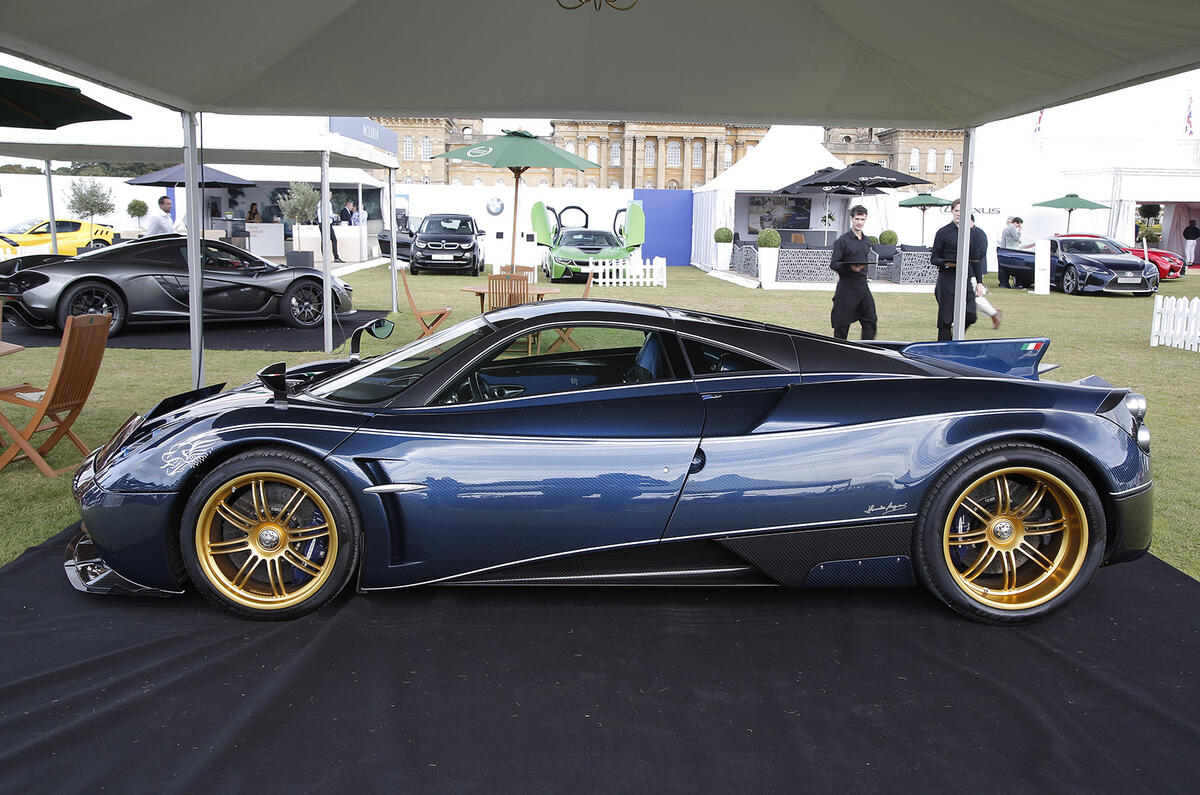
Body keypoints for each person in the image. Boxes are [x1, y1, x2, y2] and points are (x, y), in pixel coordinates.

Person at [930, 199, 977, 341]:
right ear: (952, 211)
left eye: (962, 212)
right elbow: (934, 258)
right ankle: (942, 348)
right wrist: (946, 263)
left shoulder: (971, 232)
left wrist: (979, 282)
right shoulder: (943, 232)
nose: (958, 214)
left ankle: (954, 336)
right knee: (945, 320)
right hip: (947, 279)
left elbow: (976, 257)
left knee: (971, 314)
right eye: (956, 211)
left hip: (964, 278)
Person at [829, 205, 877, 340]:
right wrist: (850, 268)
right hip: (846, 287)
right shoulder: (842, 241)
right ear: (851, 218)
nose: (859, 222)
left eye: (862, 219)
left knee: (870, 320)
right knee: (842, 325)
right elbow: (834, 264)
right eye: (857, 219)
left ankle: (866, 348)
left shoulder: (866, 241)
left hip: (862, 286)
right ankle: (839, 350)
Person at [970, 215, 1002, 330]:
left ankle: (994, 313)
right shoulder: (966, 232)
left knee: (973, 297)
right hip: (968, 270)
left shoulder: (978, 233)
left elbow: (981, 252)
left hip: (974, 270)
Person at [321, 191, 343, 262]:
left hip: (322, 223)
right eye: (330, 195)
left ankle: (325, 257)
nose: (331, 196)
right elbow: (329, 214)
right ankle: (335, 257)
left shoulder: (320, 203)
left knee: (324, 240)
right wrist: (335, 215)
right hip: (327, 224)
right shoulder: (328, 203)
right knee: (333, 240)